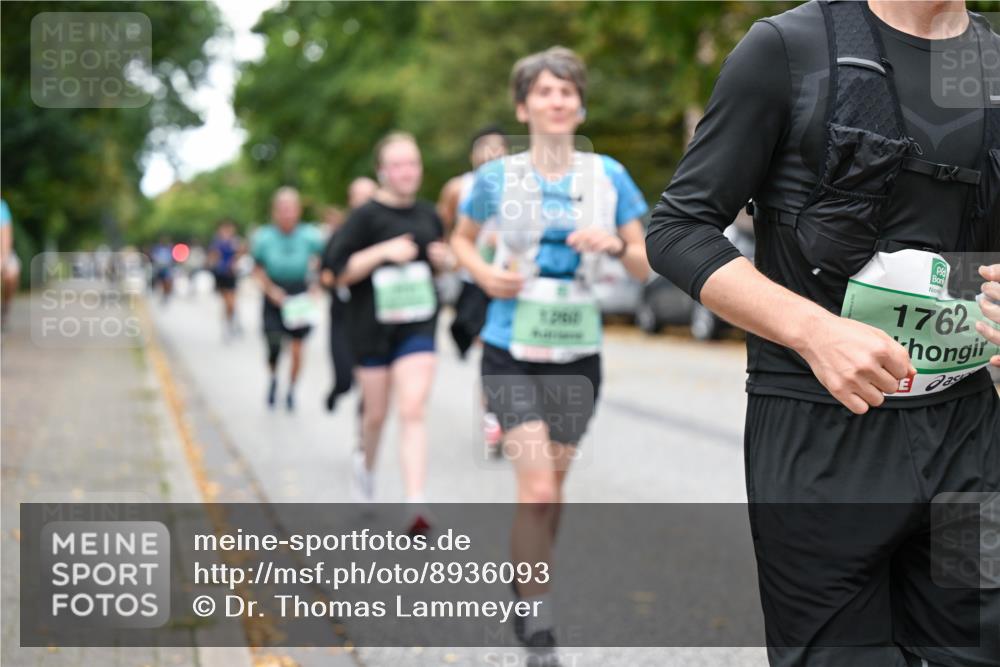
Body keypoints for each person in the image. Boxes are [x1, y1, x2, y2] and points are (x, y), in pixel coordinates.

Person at [645, 1, 999, 666]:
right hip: (821, 439)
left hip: (968, 439)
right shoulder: (786, 49)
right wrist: (815, 331)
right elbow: (678, 231)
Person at [451, 46, 649, 662]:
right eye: (544, 92)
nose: (557, 101)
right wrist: (484, 275)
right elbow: (459, 241)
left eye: (566, 91)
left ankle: (531, 581)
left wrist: (616, 243)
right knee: (536, 490)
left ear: (580, 103)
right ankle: (536, 616)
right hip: (509, 347)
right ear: (523, 105)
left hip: (578, 350)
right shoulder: (496, 178)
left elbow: (646, 265)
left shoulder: (608, 176)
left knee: (553, 490)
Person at [325, 133, 452, 533]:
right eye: (397, 165)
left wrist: (444, 260)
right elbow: (335, 271)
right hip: (370, 329)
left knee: (413, 408)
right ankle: (365, 465)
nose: (407, 172)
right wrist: (382, 252)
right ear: (382, 171)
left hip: (417, 325)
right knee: (376, 415)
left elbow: (443, 265)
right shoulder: (364, 217)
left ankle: (415, 501)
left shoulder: (430, 215)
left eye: (412, 163)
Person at [251, 187, 325, 411]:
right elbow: (257, 268)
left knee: (297, 347)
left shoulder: (310, 235)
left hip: (299, 293)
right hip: (274, 293)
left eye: (291, 209)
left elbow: (324, 262)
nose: (287, 214)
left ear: (298, 210)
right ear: (274, 211)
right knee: (273, 345)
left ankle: (292, 389)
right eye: (282, 209)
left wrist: (316, 287)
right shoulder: (263, 237)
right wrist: (270, 290)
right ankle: (273, 377)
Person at [438, 126, 510, 358]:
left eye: (498, 147)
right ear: (473, 155)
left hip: (505, 271)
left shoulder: (520, 185)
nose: (492, 153)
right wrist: (450, 255)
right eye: (485, 147)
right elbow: (442, 224)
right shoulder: (458, 187)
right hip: (470, 274)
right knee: (471, 329)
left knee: (491, 341)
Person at [320, 178, 377, 413]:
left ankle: (363, 441)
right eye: (358, 197)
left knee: (371, 387)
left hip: (374, 318)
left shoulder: (384, 233)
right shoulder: (340, 236)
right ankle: (337, 390)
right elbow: (325, 275)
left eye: (369, 197)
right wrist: (344, 276)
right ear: (350, 201)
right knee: (345, 377)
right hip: (343, 315)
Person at [208, 219, 244, 340]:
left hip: (231, 275)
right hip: (222, 275)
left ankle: (231, 323)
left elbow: (239, 254)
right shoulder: (217, 243)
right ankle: (228, 325)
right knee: (227, 302)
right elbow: (213, 257)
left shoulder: (234, 242)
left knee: (232, 302)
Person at [0, 198, 20, 331]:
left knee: (11, 272)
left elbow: (6, 239)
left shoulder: (1, 207)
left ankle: (5, 308)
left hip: (2, 252)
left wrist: (3, 260)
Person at [149, 237, 175, 303]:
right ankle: (154, 291)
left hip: (166, 268)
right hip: (159, 268)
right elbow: (153, 257)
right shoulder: (157, 249)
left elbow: (171, 259)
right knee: (155, 279)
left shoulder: (169, 249)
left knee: (167, 281)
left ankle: (166, 294)